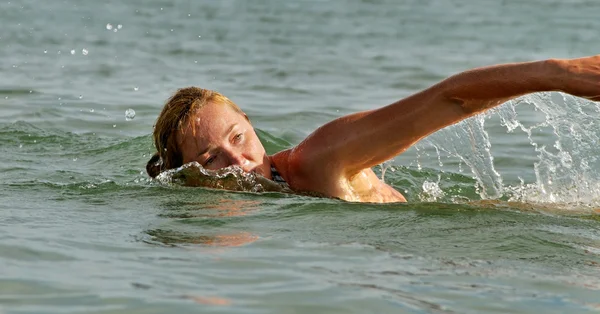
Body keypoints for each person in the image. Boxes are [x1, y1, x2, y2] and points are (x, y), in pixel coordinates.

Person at [146, 55, 600, 203]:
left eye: (238, 137)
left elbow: (450, 97)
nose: (237, 161)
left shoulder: (317, 160)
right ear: (184, 174)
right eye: (209, 159)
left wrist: (563, 73)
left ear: (250, 122)